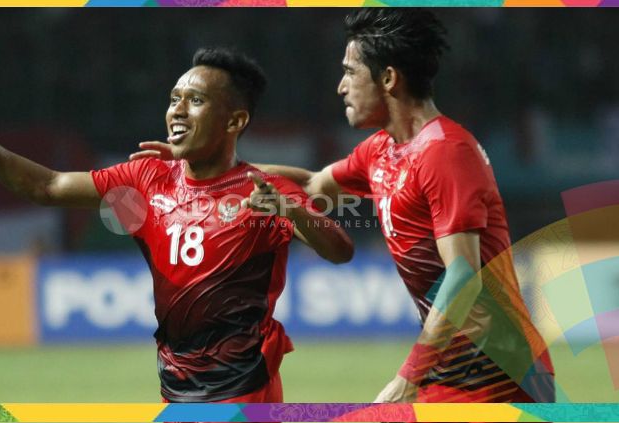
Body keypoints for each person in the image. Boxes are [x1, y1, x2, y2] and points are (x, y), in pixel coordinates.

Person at [133, 11, 555, 405]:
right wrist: (204, 160)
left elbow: (464, 275)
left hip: (501, 377)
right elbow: (314, 183)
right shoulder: (381, 152)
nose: (341, 87)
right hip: (452, 373)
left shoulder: (445, 152)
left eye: (349, 73)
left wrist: (407, 377)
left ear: (388, 78)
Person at [0, 47, 354, 403]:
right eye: (174, 98)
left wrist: (289, 210)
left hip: (245, 388)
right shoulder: (146, 179)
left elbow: (339, 249)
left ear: (234, 121)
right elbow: (49, 186)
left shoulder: (266, 191)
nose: (177, 111)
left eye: (196, 100)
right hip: (176, 387)